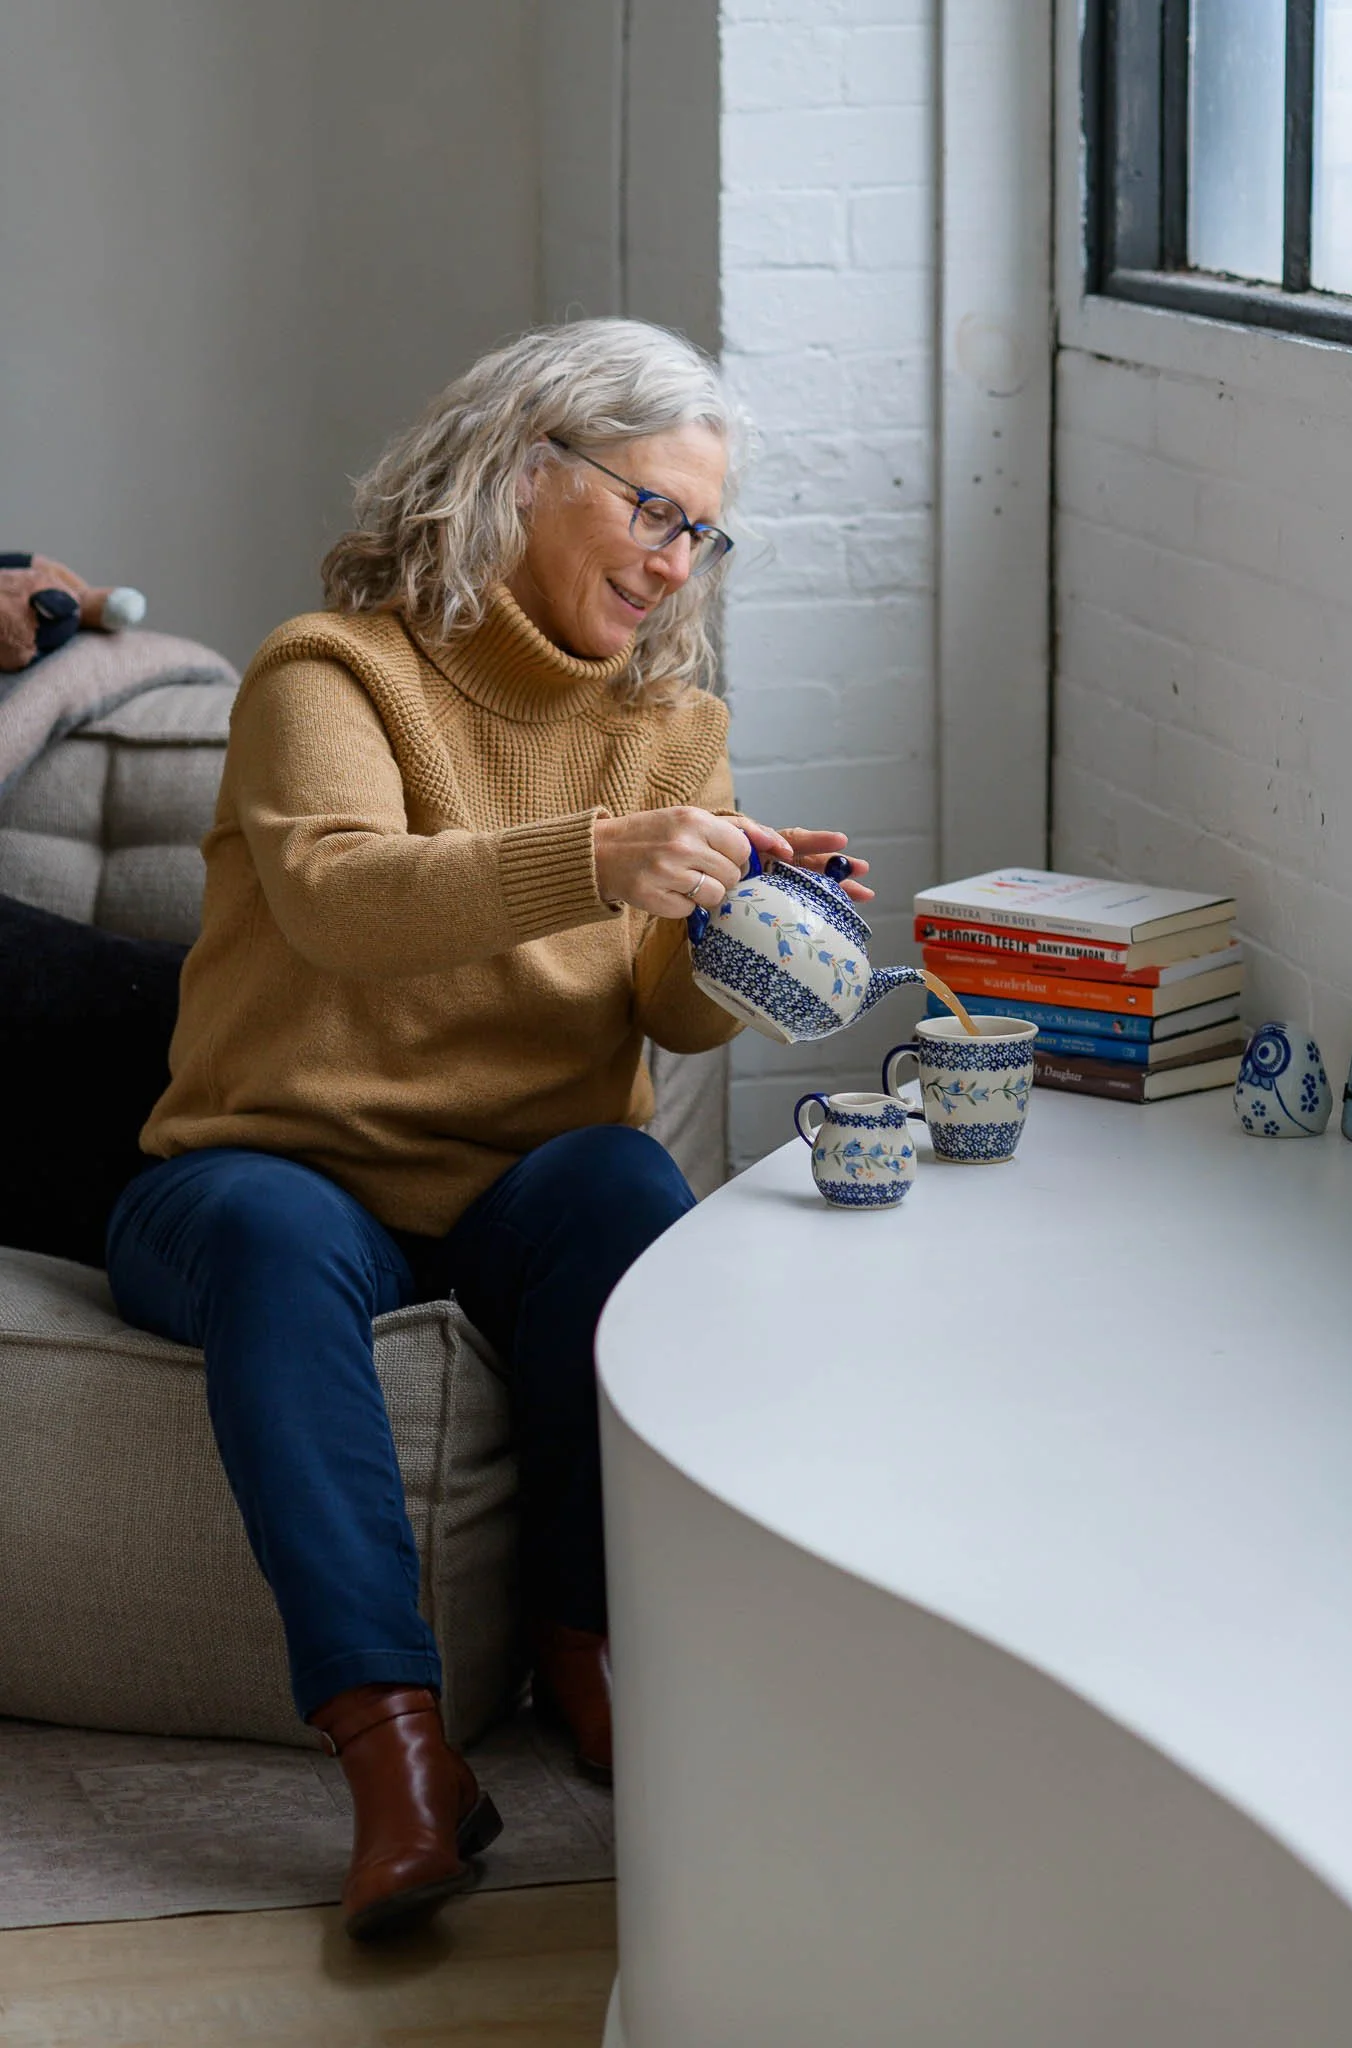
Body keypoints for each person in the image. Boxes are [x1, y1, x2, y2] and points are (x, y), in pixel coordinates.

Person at [105, 318, 872, 1941]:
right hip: (260, 1171)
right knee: (265, 1228)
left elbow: (662, 1013)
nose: (680, 563)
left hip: (520, 1184)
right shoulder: (330, 671)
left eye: (703, 532)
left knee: (621, 1179)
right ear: (526, 469)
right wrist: (601, 858)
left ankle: (597, 1660)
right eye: (655, 510)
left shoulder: (674, 727)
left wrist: (746, 922)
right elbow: (338, 904)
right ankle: (399, 1757)